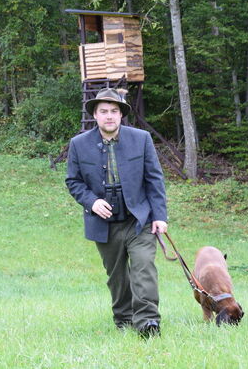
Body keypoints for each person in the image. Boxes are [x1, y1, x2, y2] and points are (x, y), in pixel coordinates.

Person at [65, 88, 168, 338]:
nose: (109, 116)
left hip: (139, 219)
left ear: (121, 114)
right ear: (95, 115)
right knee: (117, 277)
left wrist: (160, 216)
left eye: (114, 111)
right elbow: (73, 181)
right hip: (104, 223)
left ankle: (148, 322)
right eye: (103, 111)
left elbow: (154, 179)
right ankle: (124, 320)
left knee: (143, 267)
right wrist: (92, 202)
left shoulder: (141, 139)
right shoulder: (78, 144)